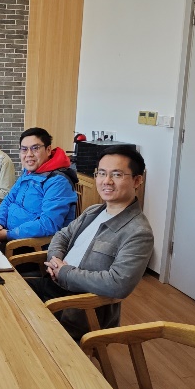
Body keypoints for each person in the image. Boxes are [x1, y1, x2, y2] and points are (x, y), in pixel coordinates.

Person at [27, 145, 153, 339]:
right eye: (101, 173)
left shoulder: (138, 232)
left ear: (137, 180)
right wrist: (55, 259)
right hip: (54, 286)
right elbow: (62, 236)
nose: (106, 181)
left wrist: (65, 272)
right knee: (1, 296)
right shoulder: (93, 211)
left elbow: (118, 284)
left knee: (16, 330)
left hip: (80, 308)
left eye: (117, 175)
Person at [0, 127, 77, 242]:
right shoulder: (28, 172)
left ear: (48, 150)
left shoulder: (58, 181)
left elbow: (48, 223)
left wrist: (9, 234)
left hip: (32, 246)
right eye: (24, 149)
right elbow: (9, 199)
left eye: (35, 148)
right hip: (8, 234)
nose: (29, 154)